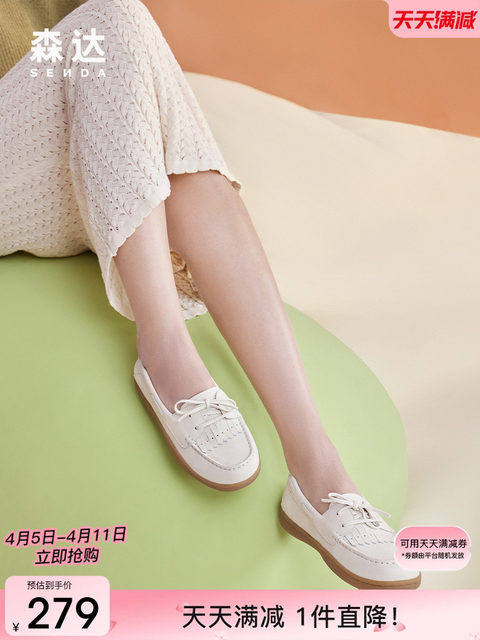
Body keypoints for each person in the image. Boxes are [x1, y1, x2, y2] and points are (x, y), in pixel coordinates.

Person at [0, 0, 420, 589]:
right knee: (113, 20)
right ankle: (165, 346)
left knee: (125, 40)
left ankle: (320, 473)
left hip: (52, 135)